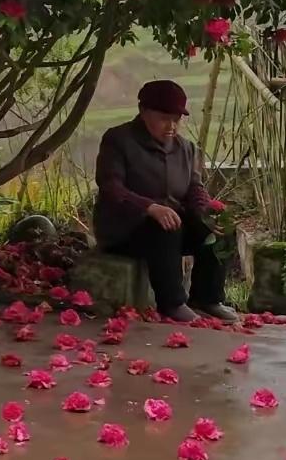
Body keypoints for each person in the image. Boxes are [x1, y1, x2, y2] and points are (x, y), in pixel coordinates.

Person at [93, 79, 236, 323]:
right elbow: (111, 187)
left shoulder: (186, 149)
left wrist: (206, 214)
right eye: (164, 118)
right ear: (143, 112)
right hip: (127, 229)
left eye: (176, 119)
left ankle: (207, 297)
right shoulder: (119, 140)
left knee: (220, 228)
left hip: (172, 227)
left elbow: (194, 188)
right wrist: (149, 207)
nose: (171, 126)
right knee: (166, 225)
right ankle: (172, 303)